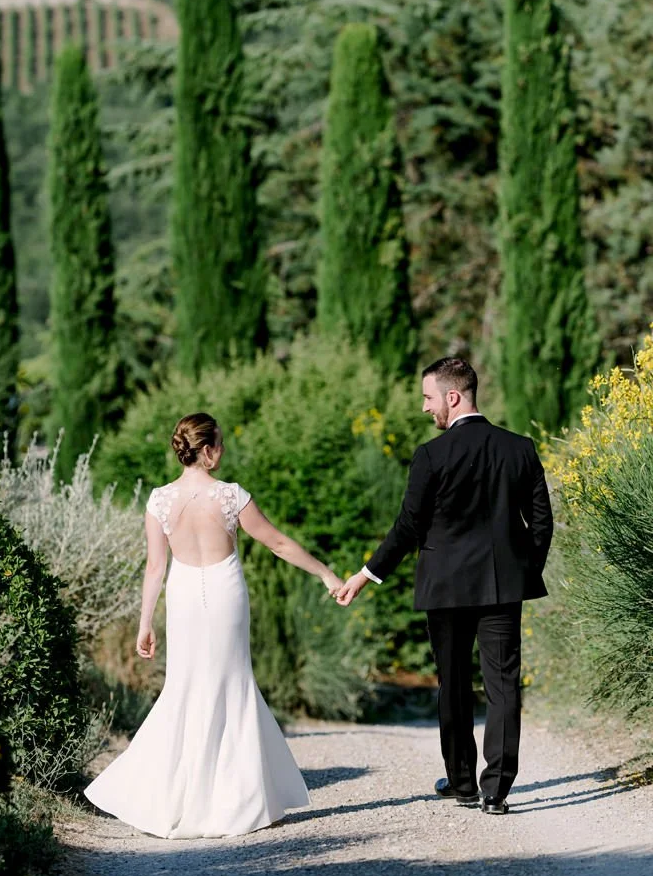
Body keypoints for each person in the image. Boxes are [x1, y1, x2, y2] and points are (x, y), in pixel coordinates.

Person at [84, 412, 343, 838]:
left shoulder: (158, 500)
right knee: (231, 685)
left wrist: (145, 623)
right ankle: (239, 802)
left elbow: (154, 567)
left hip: (182, 597)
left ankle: (179, 800)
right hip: (224, 594)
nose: (222, 451)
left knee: (185, 688)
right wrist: (324, 573)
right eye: (219, 444)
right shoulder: (231, 496)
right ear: (206, 451)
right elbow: (276, 542)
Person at [336, 358, 553, 815]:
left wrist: (365, 573)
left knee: (452, 682)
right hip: (503, 585)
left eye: (427, 398)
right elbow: (541, 523)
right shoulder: (520, 448)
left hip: (447, 587)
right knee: (503, 686)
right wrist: (521, 569)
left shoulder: (431, 455)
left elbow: (408, 527)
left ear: (452, 398)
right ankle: (497, 790)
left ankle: (462, 783)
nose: (424, 408)